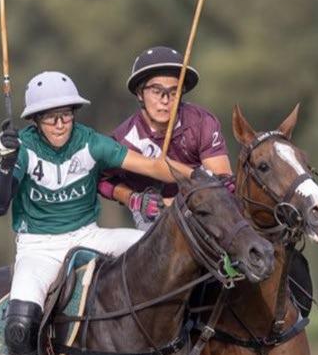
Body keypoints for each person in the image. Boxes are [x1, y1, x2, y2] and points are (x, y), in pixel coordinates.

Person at [0, 69, 177, 355]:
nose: (60, 124)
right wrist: (7, 163)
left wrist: (203, 180)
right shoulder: (23, 149)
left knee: (160, 253)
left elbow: (153, 167)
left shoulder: (90, 142)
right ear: (35, 120)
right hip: (38, 247)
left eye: (66, 115)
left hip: (88, 235)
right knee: (19, 323)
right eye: (50, 117)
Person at [99, 47, 232, 229]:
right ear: (139, 93)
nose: (165, 100)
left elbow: (222, 179)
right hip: (154, 218)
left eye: (174, 92)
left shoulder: (201, 121)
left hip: (203, 207)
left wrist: (179, 202)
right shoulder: (123, 140)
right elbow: (102, 180)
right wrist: (133, 199)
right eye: (156, 91)